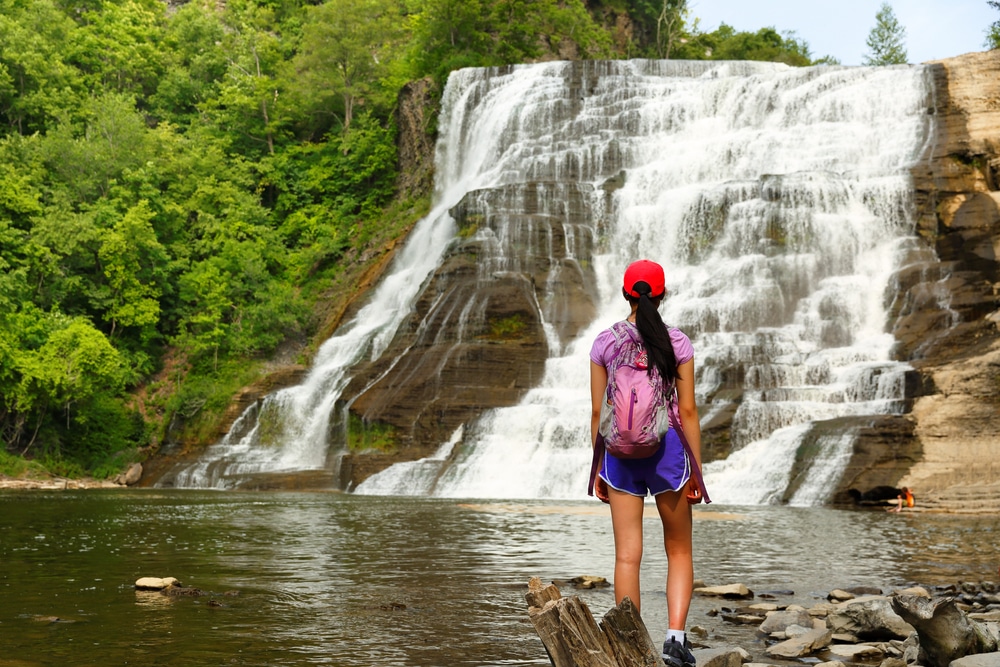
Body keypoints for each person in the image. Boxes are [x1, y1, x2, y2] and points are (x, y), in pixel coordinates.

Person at [589, 259, 706, 667]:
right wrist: (696, 471)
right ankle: (675, 639)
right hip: (668, 453)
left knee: (626, 556)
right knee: (678, 551)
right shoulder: (678, 342)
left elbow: (597, 412)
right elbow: (687, 411)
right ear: (662, 294)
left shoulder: (605, 341)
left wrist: (598, 467)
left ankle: (629, 646)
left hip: (619, 456)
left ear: (626, 295)